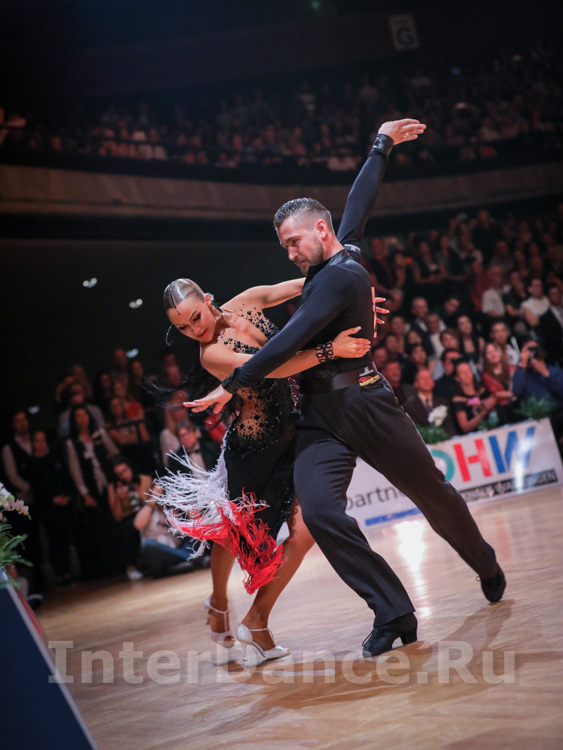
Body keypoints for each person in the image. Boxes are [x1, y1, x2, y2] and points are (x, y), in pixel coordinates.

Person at [187, 118, 505, 659]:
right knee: (320, 512)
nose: (289, 253)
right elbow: (358, 205)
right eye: (284, 246)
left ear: (319, 230)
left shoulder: (338, 277)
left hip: (365, 401)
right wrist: (381, 145)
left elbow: (287, 341)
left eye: (293, 242)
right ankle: (393, 611)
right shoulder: (340, 253)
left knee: (433, 495)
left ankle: (484, 562)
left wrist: (235, 381)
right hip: (320, 414)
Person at [159, 276, 372, 660]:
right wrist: (330, 349)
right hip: (254, 451)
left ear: (207, 299)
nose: (194, 330)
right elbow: (275, 365)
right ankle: (219, 601)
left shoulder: (245, 301)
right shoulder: (211, 354)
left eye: (195, 317)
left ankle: (256, 620)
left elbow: (308, 283)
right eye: (183, 328)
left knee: (305, 533)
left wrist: (351, 287)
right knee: (231, 536)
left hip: (294, 435)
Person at [108, 457, 150, 580]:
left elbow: (150, 503)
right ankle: (131, 566)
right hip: (129, 519)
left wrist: (137, 490)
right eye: (119, 474)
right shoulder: (114, 487)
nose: (124, 475)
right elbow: (117, 517)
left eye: (125, 471)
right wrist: (118, 498)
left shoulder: (144, 479)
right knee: (129, 527)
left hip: (146, 513)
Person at [403, 369, 455, 436]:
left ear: (433, 382)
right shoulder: (409, 405)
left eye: (429, 378)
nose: (426, 381)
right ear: (416, 384)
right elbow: (414, 430)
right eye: (422, 378)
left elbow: (449, 425)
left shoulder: (442, 402)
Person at [451, 360, 497, 434]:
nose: (467, 375)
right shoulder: (458, 400)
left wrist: (491, 406)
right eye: (462, 373)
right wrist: (484, 411)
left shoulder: (483, 391)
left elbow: (495, 414)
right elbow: (465, 427)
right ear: (457, 378)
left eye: (468, 371)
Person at [481, 343, 516, 425]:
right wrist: (513, 394)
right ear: (485, 357)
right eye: (489, 353)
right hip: (501, 409)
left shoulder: (511, 368)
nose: (493, 354)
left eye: (495, 351)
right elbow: (495, 393)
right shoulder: (485, 375)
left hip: (515, 404)